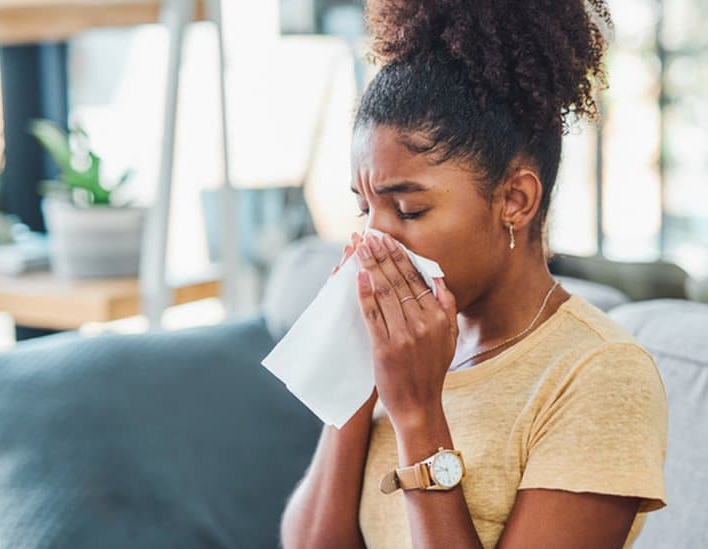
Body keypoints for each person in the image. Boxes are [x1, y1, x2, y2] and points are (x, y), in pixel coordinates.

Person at [281, 1, 667, 547]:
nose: (375, 240)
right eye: (365, 209)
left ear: (515, 200)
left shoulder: (599, 376)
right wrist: (355, 372)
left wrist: (418, 415)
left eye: (409, 210)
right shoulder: (407, 346)